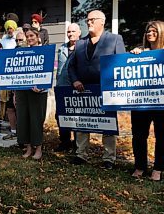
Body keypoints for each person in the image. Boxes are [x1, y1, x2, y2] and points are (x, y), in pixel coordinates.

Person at [68, 10, 126, 169]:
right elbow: (71, 66)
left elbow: (121, 64)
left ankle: (109, 158)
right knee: (82, 123)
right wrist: (75, 80)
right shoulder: (80, 43)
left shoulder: (114, 39)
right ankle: (81, 154)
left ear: (102, 21)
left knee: (107, 125)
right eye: (87, 20)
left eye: (92, 20)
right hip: (83, 90)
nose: (88, 23)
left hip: (106, 91)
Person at [130, 20, 164, 181]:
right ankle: (140, 166)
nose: (150, 34)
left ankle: (158, 168)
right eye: (148, 31)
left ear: (162, 32)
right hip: (140, 102)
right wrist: (134, 54)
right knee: (138, 135)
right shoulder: (140, 52)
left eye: (154, 31)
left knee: (163, 135)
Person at [16, 27, 48, 160]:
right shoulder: (21, 52)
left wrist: (42, 87)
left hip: (38, 92)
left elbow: (49, 70)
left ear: (38, 36)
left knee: (36, 119)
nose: (29, 39)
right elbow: (15, 71)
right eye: (27, 36)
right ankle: (28, 147)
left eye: (31, 36)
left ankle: (38, 148)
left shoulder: (45, 51)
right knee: (23, 119)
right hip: (22, 91)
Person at [54, 23, 81, 151]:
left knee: (76, 115)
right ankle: (65, 142)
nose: (70, 34)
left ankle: (77, 144)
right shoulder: (62, 48)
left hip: (77, 87)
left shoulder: (83, 47)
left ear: (79, 33)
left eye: (73, 31)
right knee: (61, 115)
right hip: (62, 87)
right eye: (69, 32)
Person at [1, 20, 20, 140]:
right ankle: (13, 130)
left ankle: (21, 131)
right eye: (8, 28)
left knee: (18, 106)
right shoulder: (3, 40)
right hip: (8, 78)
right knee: (9, 107)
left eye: (11, 28)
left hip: (20, 80)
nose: (9, 30)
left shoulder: (19, 43)